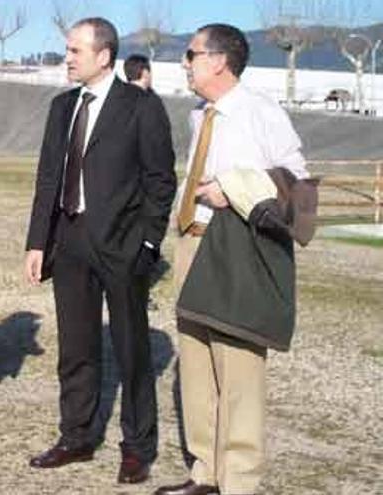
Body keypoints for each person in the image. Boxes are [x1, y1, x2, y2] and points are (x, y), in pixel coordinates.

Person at [154, 24, 309, 495]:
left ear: (219, 60)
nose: (185, 62)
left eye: (191, 54)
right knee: (197, 364)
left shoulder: (260, 111)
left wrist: (234, 189)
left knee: (238, 367)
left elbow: (297, 183)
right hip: (191, 242)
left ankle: (238, 482)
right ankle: (205, 473)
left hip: (237, 248)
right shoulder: (199, 115)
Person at [24, 17, 176, 485]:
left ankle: (137, 446)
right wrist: (37, 241)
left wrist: (147, 243)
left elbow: (160, 180)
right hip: (68, 243)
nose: (67, 57)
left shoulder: (141, 107)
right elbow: (49, 177)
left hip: (121, 246)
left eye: (75, 51)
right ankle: (77, 436)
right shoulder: (61, 106)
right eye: (67, 50)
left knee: (131, 351)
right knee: (75, 347)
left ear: (104, 56)